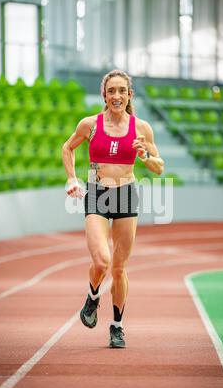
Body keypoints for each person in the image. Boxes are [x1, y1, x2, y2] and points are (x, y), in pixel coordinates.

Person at [62, 70, 164, 348]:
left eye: (122, 91)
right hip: (97, 194)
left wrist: (144, 156)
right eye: (111, 91)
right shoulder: (90, 124)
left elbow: (159, 166)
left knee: (119, 269)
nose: (116, 96)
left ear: (130, 95)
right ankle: (93, 296)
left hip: (126, 195)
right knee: (102, 262)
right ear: (104, 95)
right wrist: (72, 178)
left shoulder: (141, 128)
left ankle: (117, 326)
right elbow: (67, 148)